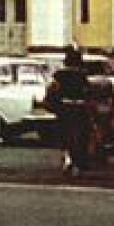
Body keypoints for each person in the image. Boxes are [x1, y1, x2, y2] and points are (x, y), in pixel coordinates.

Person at [44, 47, 91, 175]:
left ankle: (68, 158)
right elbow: (87, 92)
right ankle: (77, 161)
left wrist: (52, 103)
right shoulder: (82, 75)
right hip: (80, 108)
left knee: (65, 134)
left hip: (64, 107)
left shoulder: (59, 75)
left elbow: (52, 89)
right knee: (80, 135)